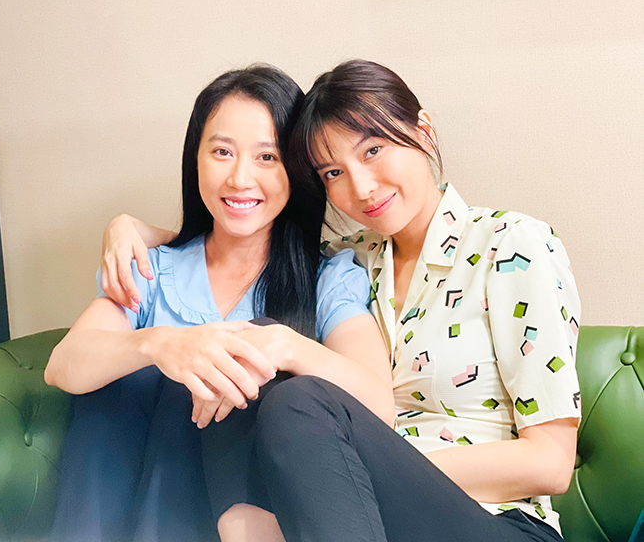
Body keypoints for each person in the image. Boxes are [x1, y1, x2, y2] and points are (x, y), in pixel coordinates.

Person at [103, 59, 582, 542]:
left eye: (373, 150)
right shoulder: (353, 259)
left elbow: (551, 463)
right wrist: (130, 230)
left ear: (423, 130)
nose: (361, 187)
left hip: (497, 524)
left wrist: (355, 466)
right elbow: (238, 240)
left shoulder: (512, 246)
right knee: (244, 352)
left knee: (294, 391)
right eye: (333, 172)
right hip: (364, 521)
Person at [45, 65, 393, 542]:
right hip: (124, 507)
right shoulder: (153, 269)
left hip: (250, 522)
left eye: (267, 157)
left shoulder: (326, 279)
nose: (240, 178)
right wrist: (160, 345)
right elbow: (63, 365)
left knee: (205, 384)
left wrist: (286, 348)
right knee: (123, 385)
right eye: (222, 152)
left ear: (295, 170)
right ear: (196, 159)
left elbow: (379, 407)